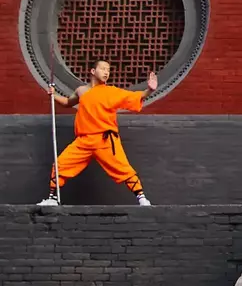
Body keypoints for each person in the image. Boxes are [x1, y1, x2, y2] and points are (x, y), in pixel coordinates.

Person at [43, 59, 157, 206]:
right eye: (103, 69)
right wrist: (53, 95)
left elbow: (134, 96)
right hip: (83, 141)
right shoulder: (81, 91)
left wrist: (149, 90)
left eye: (108, 70)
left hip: (105, 140)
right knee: (61, 165)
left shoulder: (111, 92)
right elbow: (67, 103)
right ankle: (52, 199)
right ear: (92, 71)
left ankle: (141, 198)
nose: (106, 72)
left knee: (123, 168)